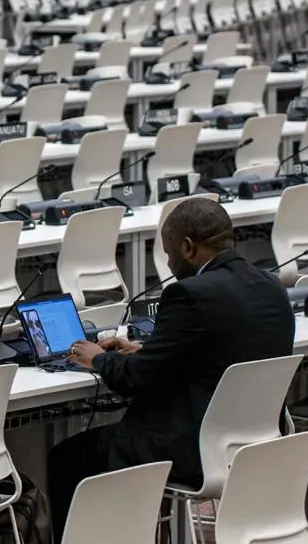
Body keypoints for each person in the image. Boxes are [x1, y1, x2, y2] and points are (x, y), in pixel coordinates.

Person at [46, 197, 294, 531]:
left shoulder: (188, 294)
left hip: (192, 449)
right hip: (257, 442)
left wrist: (99, 357)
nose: (170, 264)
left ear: (188, 247)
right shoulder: (271, 286)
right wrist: (147, 350)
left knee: (66, 459)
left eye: (169, 253)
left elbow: (136, 379)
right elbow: (220, 351)